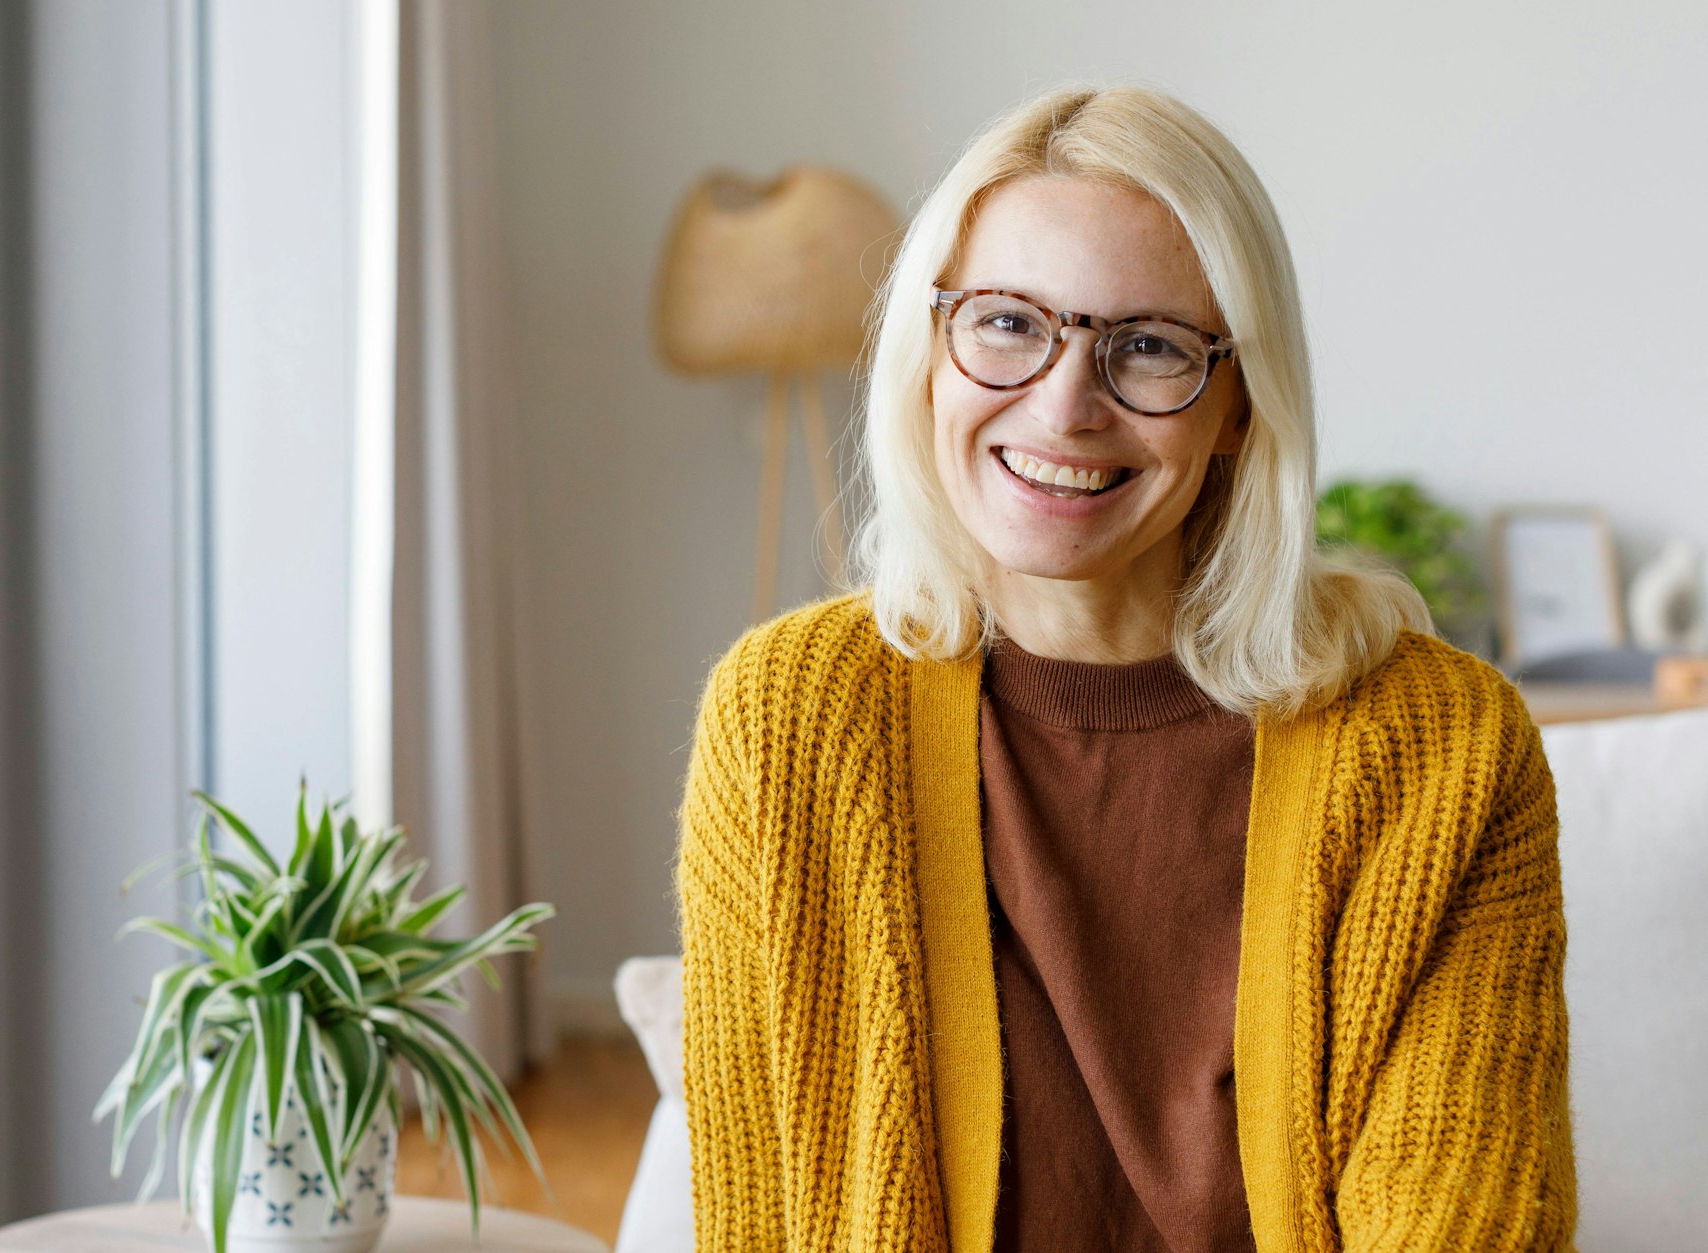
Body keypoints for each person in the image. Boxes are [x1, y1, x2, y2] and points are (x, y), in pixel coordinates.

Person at [673, 82, 1577, 1252]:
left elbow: (1465, 1220)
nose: (1061, 405)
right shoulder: (785, 717)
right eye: (1005, 321)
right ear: (930, 351)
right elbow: (761, 1213)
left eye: (1145, 346)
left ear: (1240, 402)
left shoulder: (1443, 748)